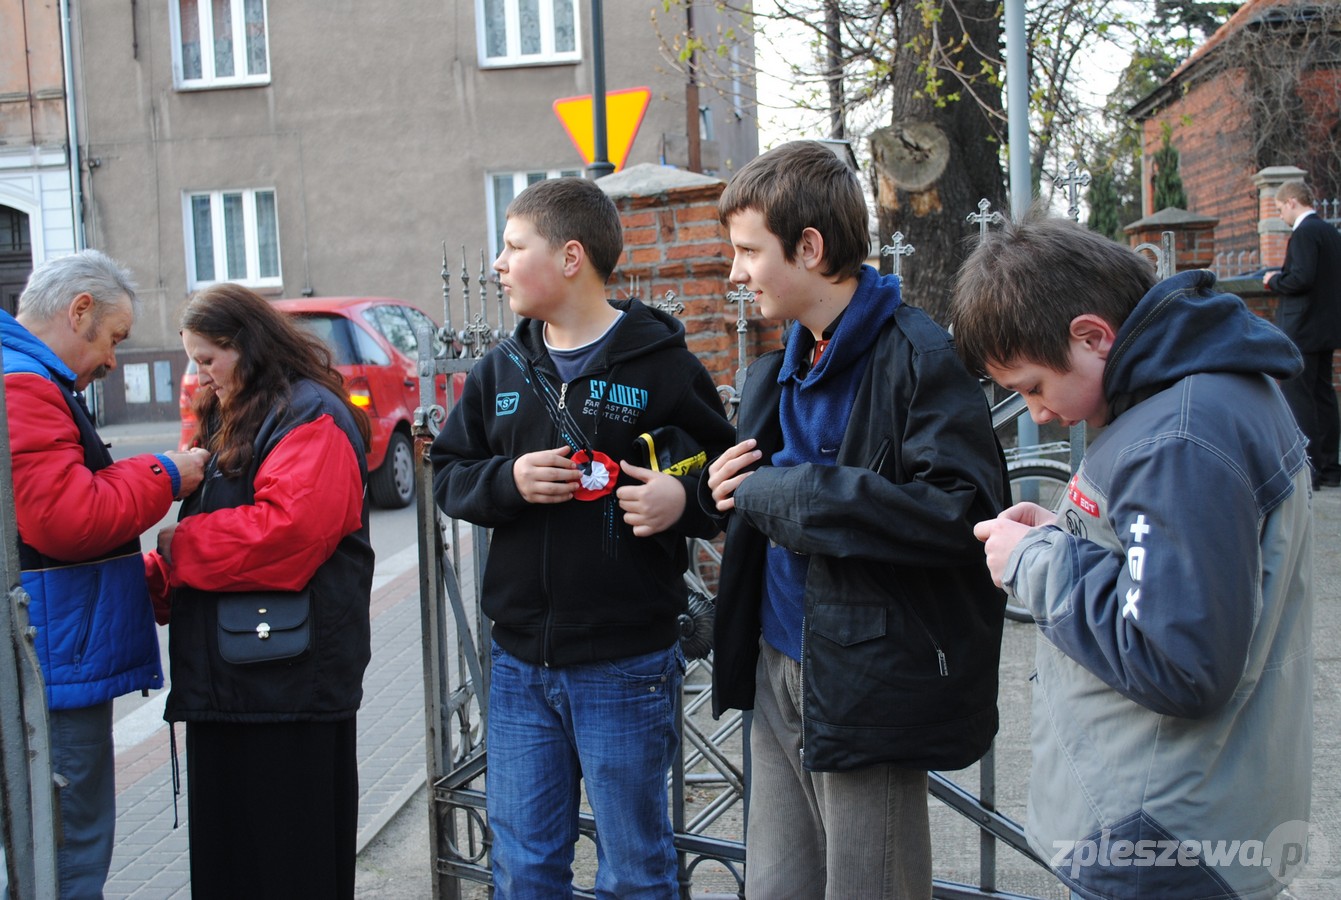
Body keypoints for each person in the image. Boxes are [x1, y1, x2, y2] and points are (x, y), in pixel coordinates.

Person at [955, 212, 1313, 899]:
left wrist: (1033, 564)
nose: (1034, 413)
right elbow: (1169, 573)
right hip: (1190, 813)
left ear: (1093, 336)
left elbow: (1177, 659)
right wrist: (1060, 534)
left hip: (1156, 835)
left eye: (1031, 385)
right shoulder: (1192, 397)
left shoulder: (1173, 440)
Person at [704, 141, 1008, 899]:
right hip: (776, 664)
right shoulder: (774, 367)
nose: (733, 273)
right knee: (774, 890)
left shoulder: (919, 355)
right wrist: (711, 488)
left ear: (808, 248)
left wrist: (785, 493)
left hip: (864, 682)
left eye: (747, 251)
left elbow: (961, 516)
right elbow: (754, 488)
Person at [430, 176, 735, 898]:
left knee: (634, 866)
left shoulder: (660, 365)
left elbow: (730, 474)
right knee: (525, 865)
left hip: (624, 663)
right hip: (519, 666)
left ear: (570, 257)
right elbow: (449, 471)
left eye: (513, 246)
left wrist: (680, 501)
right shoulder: (500, 369)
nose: (498, 263)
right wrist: (506, 482)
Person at [147, 283, 374, 900]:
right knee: (238, 862)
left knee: (287, 864)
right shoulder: (239, 410)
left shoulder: (310, 414)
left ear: (245, 346)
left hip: (288, 687)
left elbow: (289, 534)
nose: (200, 375)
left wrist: (178, 550)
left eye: (207, 359)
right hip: (242, 681)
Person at [0, 249, 208, 897]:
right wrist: (166, 473)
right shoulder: (25, 386)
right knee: (65, 854)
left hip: (50, 650)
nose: (113, 360)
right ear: (79, 310)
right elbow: (66, 520)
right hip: (51, 665)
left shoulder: (30, 379)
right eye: (114, 339)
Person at [1264, 179, 1341, 489]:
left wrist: (1274, 280)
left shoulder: (1305, 233)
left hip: (1304, 328)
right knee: (1324, 396)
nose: (1281, 215)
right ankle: (1332, 467)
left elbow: (1302, 278)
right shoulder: (1330, 232)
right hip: (1326, 327)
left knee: (1300, 397)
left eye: (1281, 208)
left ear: (1292, 202)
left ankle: (1311, 469)